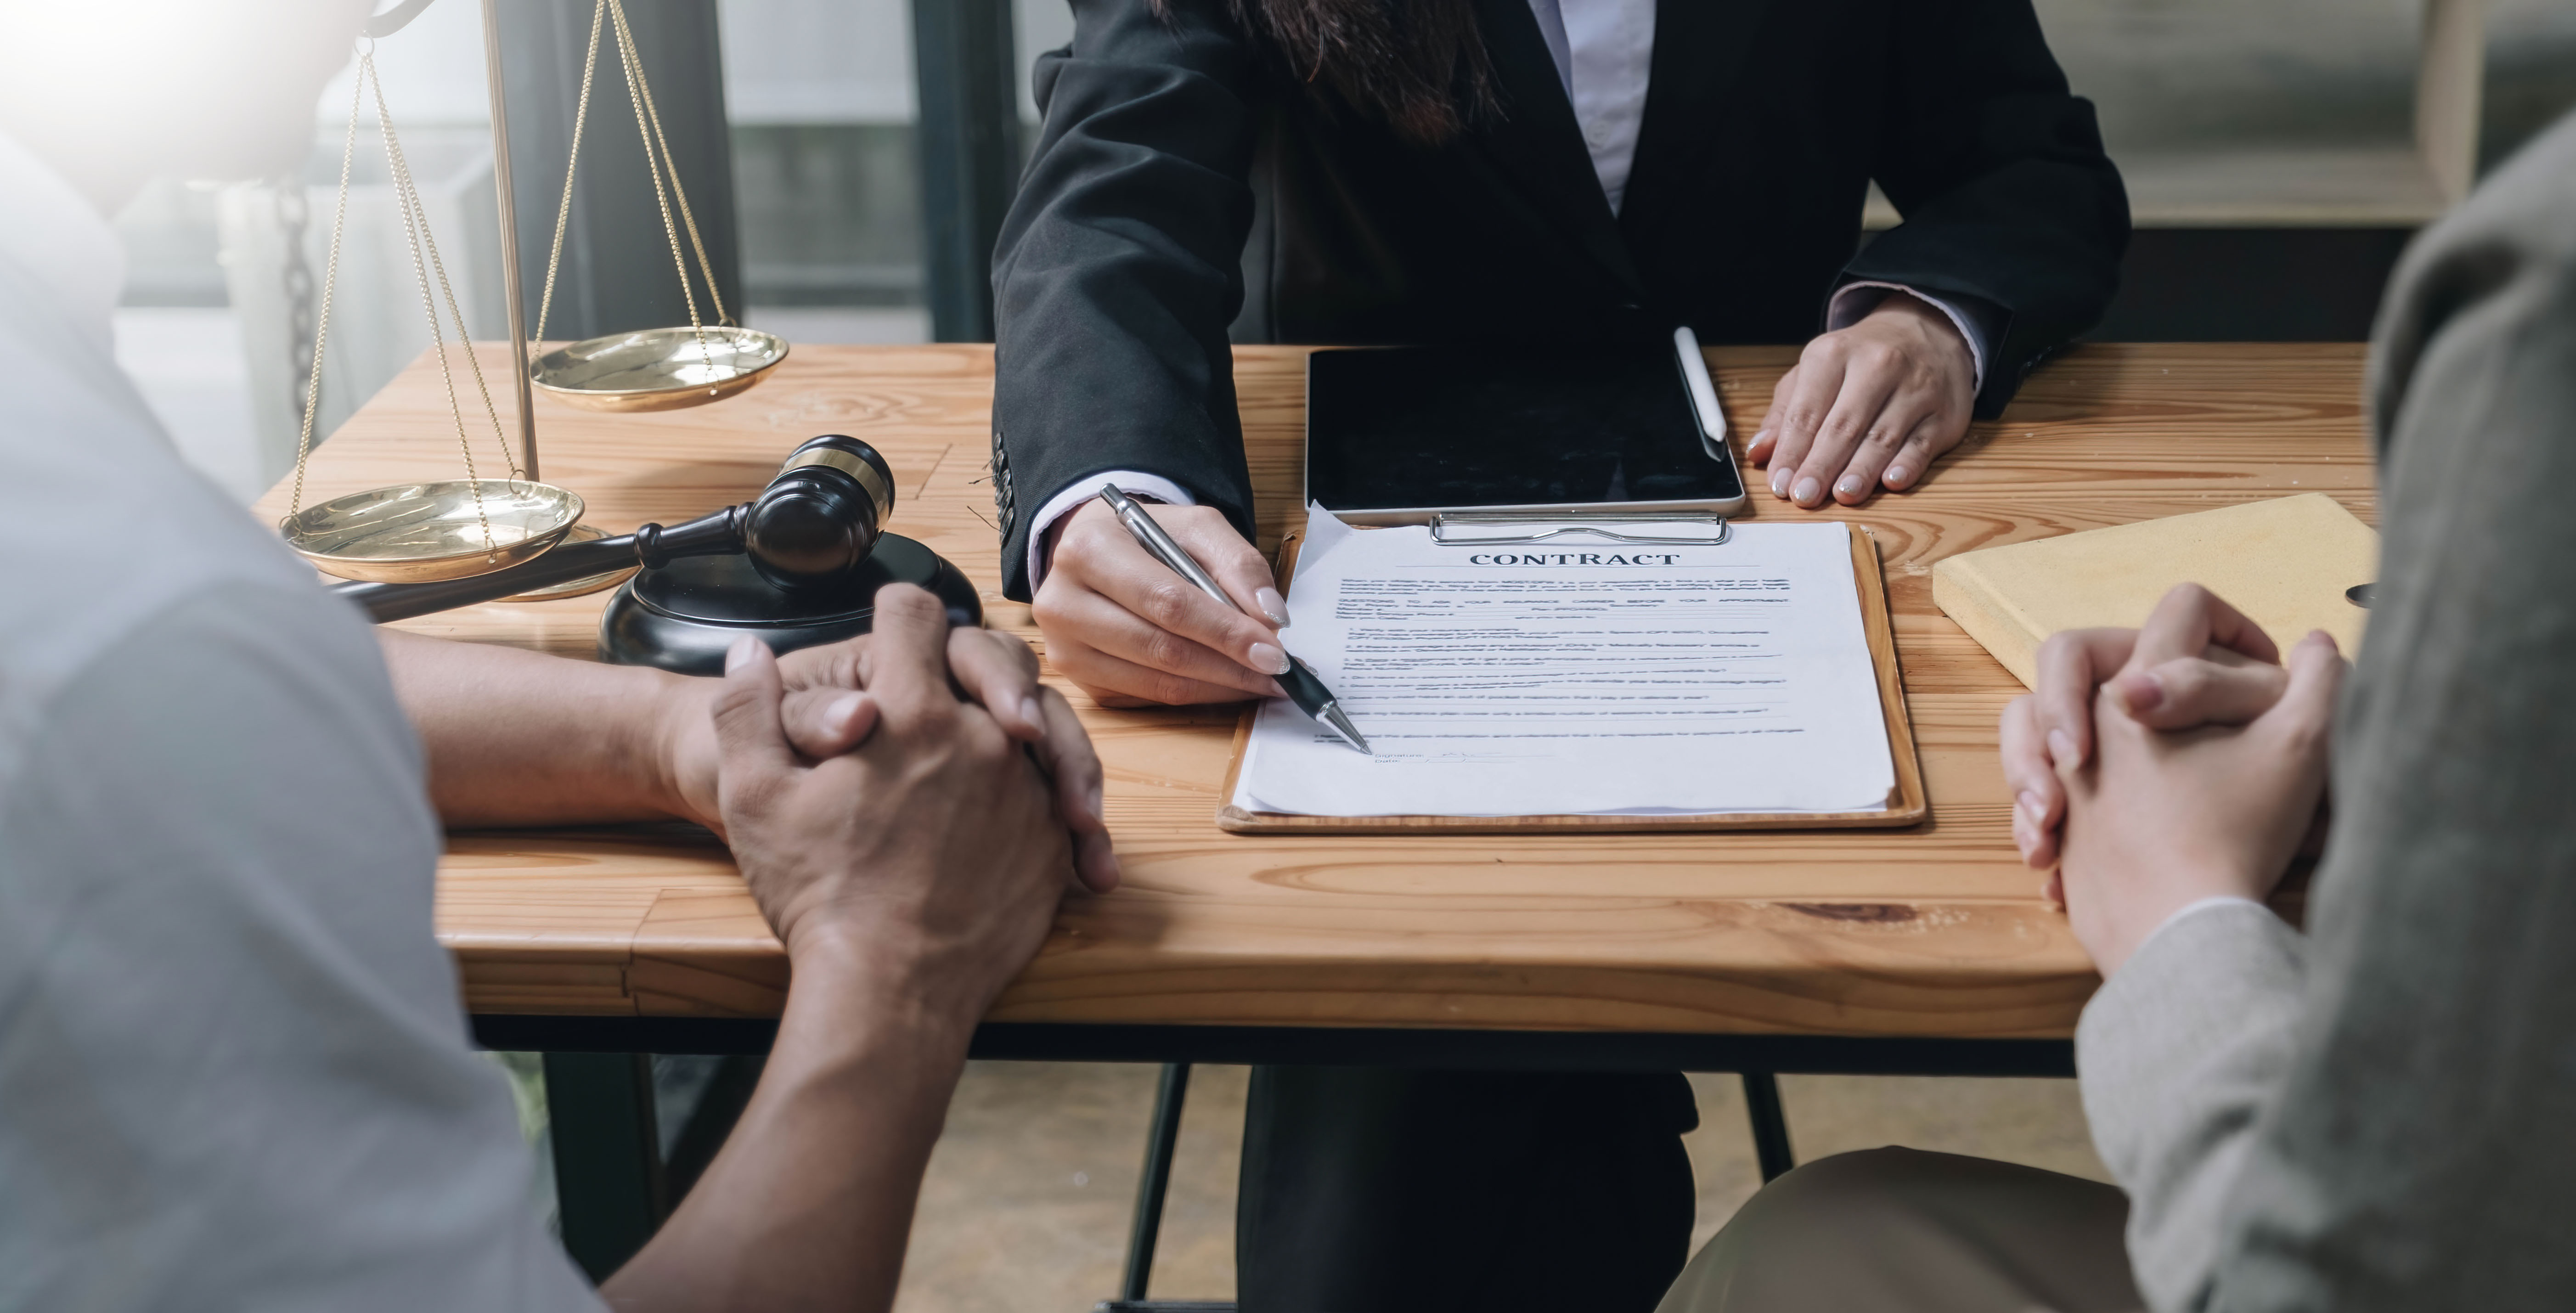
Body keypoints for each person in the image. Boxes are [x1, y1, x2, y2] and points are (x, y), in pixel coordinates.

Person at [987, 1, 2128, 1306]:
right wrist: (1102, 491)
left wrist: (1933, 316)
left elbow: (2029, 164)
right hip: (1374, 591)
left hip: (1776, 542)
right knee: (1414, 1045)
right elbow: (1107, 200)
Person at [0, 4, 1113, 1309]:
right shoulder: (122, 628)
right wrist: (895, 963)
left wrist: (682, 734)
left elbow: (188, 697)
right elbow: (149, 684)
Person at [1651, 108, 2576, 1313]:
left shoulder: (2537, 303)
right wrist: (2412, 761)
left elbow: (2338, 1274)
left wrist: (2176, 910)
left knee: (1795, 1265)